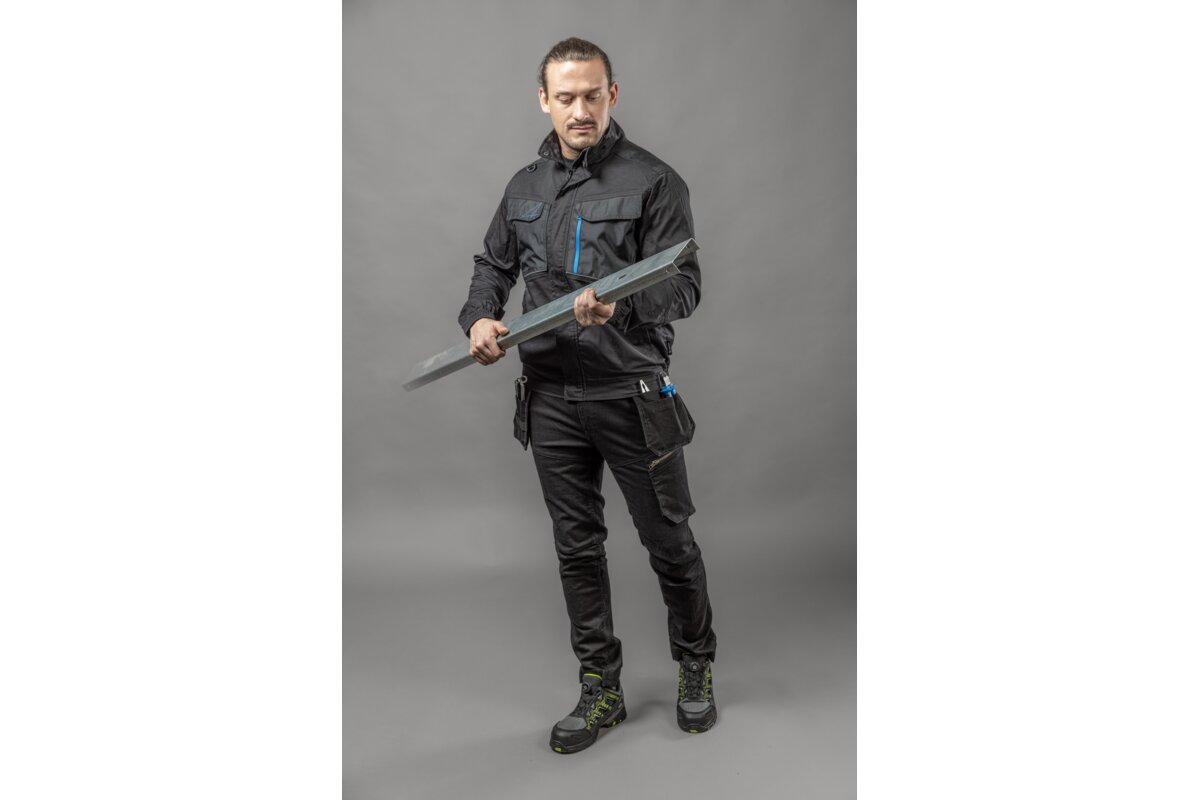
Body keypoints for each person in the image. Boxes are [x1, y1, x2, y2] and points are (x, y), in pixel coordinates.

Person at [457, 37, 718, 754]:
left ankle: (695, 666)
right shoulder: (524, 187)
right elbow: (492, 265)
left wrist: (622, 306)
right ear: (544, 100)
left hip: (632, 393)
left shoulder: (654, 181)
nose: (580, 110)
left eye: (592, 95)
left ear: (613, 95)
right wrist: (479, 317)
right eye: (566, 97)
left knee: (669, 541)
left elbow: (685, 287)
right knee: (576, 548)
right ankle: (601, 687)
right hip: (549, 397)